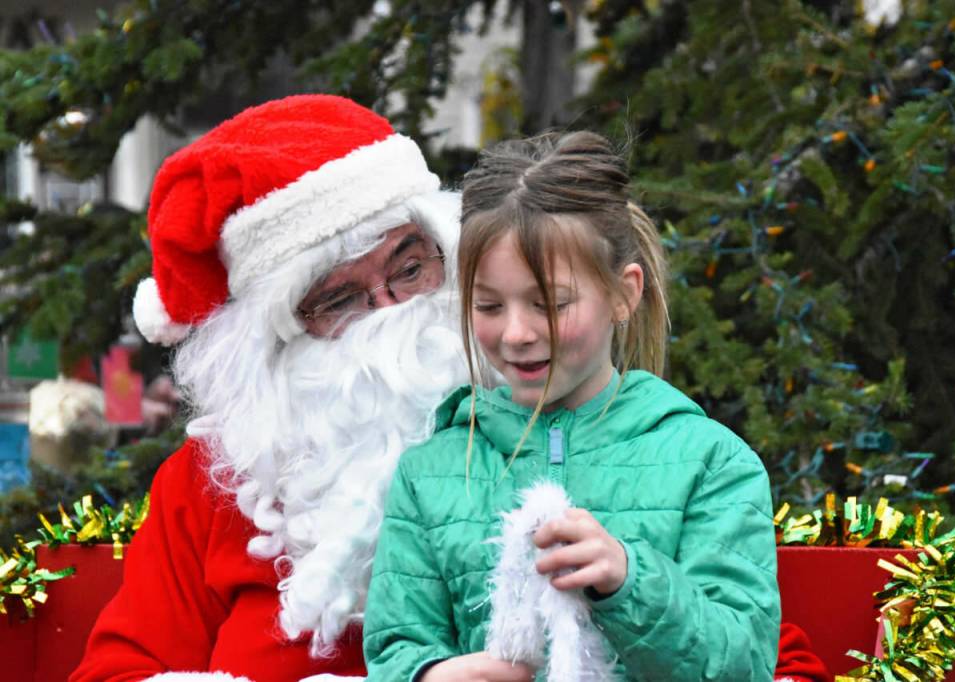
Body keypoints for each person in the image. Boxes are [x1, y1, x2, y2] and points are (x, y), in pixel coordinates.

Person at [71, 95, 470, 681]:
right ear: (277, 336)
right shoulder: (217, 479)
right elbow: (115, 672)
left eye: (410, 270)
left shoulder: (541, 422)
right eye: (339, 300)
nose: (389, 310)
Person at [363, 131, 782, 680]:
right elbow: (397, 647)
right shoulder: (431, 472)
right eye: (488, 304)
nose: (516, 333)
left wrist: (631, 582)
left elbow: (744, 662)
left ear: (623, 293)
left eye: (551, 304)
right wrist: (432, 675)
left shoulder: (710, 463)